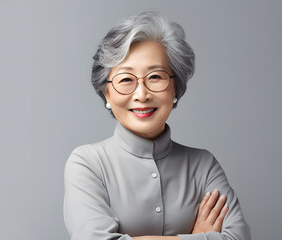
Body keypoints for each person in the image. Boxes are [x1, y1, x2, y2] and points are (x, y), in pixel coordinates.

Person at [63, 11, 251, 240]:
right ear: (107, 95)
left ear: (175, 88)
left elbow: (239, 237)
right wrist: (196, 238)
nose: (142, 94)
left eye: (155, 77)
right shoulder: (87, 163)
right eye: (125, 80)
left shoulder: (203, 166)